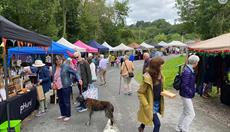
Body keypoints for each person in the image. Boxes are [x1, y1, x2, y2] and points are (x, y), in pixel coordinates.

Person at [137, 57, 165, 132]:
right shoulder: (147, 78)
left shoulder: (160, 75)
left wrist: (164, 92)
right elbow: (140, 92)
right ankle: (141, 127)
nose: (163, 66)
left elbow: (158, 88)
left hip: (157, 102)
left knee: (148, 116)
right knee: (157, 124)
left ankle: (141, 127)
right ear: (156, 66)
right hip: (150, 104)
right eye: (161, 64)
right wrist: (146, 105)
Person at [53, 56, 82, 121]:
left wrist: (79, 79)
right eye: (56, 60)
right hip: (58, 86)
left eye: (59, 59)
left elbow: (75, 72)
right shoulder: (54, 67)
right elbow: (54, 76)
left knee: (66, 101)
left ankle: (68, 115)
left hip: (65, 86)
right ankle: (63, 114)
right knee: (60, 101)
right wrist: (53, 83)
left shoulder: (66, 66)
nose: (58, 61)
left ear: (61, 60)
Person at [176, 55, 200, 132]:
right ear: (195, 62)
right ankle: (184, 129)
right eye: (197, 62)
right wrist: (190, 92)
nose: (197, 63)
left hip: (185, 94)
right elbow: (184, 85)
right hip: (186, 95)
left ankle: (180, 126)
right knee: (191, 114)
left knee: (186, 111)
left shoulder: (189, 69)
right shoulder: (188, 71)